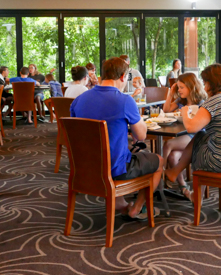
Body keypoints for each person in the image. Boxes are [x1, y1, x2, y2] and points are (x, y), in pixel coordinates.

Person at [70, 57, 163, 219]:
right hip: (114, 170)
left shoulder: (78, 101)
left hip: (85, 168)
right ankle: (137, 208)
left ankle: (122, 204)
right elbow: (141, 136)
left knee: (124, 150)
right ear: (122, 77)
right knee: (159, 161)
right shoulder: (125, 100)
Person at [164, 64, 221, 201]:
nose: (205, 87)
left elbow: (191, 128)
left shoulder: (214, 101)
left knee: (200, 136)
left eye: (205, 83)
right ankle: (180, 178)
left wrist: (185, 113)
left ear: (211, 84)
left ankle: (175, 174)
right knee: (203, 136)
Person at [161, 73, 208, 189]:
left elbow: (197, 125)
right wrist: (170, 94)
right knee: (172, 156)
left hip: (196, 136)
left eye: (182, 87)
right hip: (185, 134)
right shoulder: (181, 100)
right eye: (178, 87)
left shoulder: (201, 102)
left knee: (168, 144)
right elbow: (166, 110)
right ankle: (183, 185)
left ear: (191, 87)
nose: (179, 90)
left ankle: (159, 174)